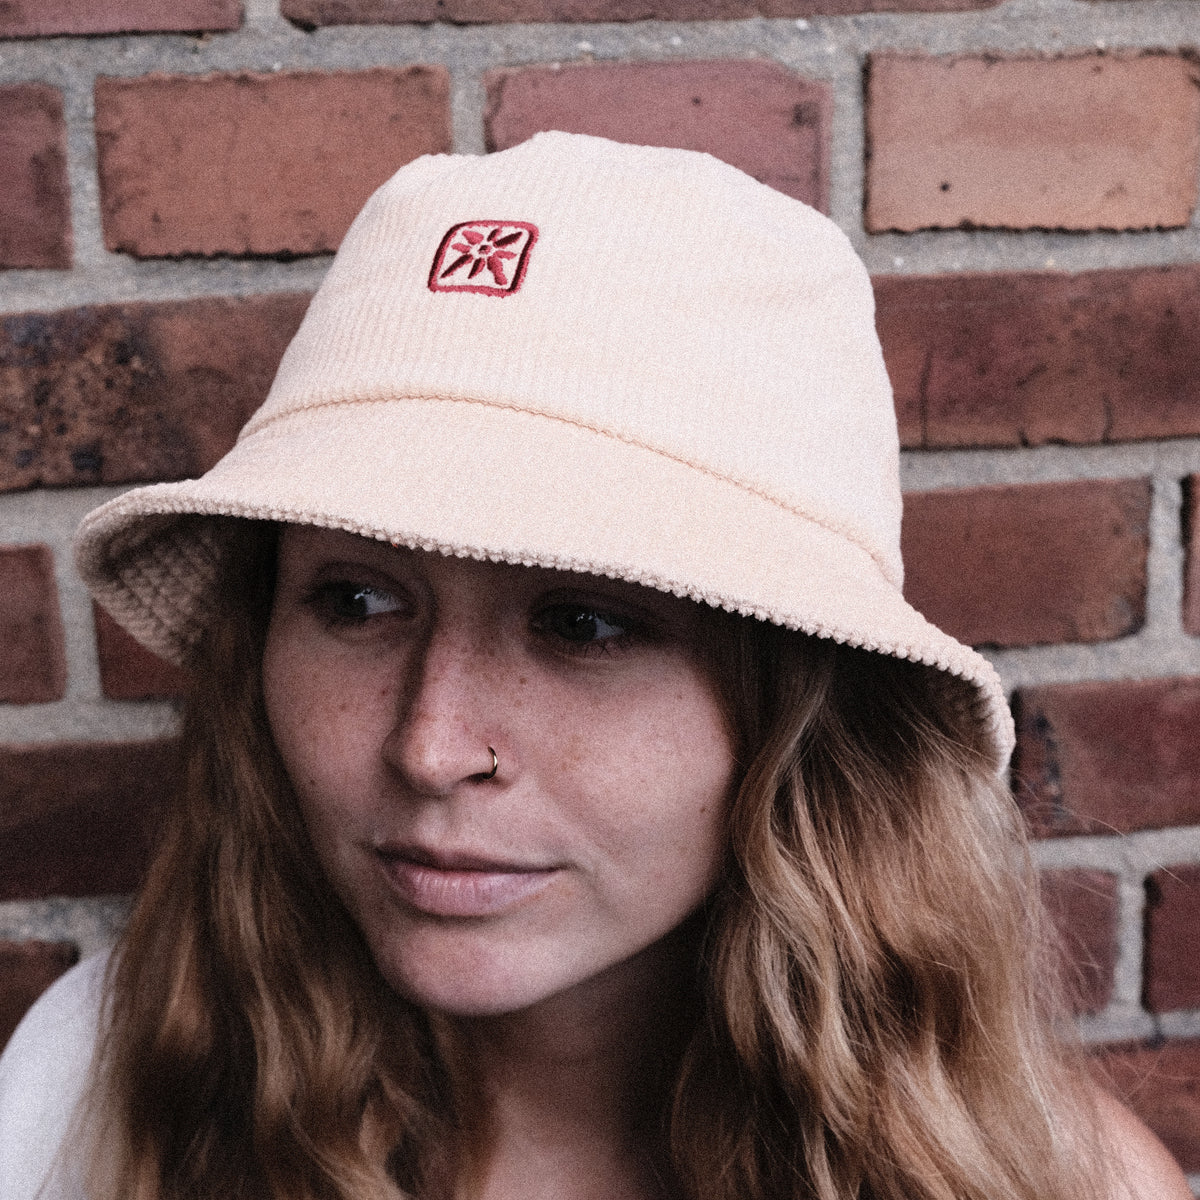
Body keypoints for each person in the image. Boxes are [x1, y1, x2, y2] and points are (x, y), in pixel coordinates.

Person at [0, 133, 1188, 1200]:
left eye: (585, 624)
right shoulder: (88, 1094)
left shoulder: (1038, 1181)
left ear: (804, 712)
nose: (430, 747)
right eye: (357, 601)